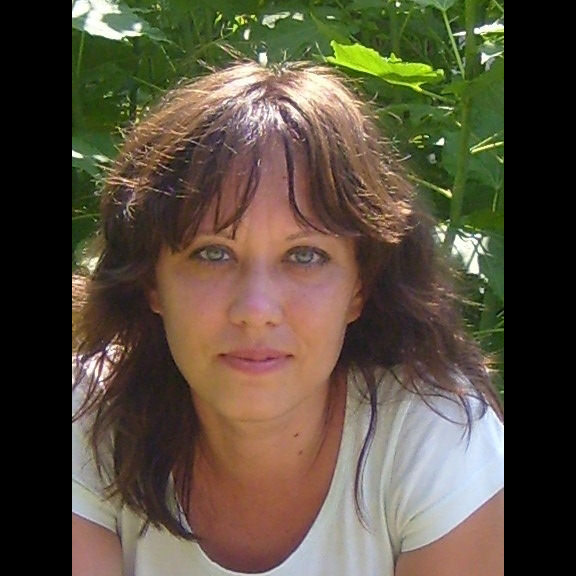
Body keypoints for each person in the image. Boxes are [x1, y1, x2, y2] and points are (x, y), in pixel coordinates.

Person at [72, 59, 504, 576]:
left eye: (304, 256)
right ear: (150, 280)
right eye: (213, 254)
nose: (256, 310)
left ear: (360, 287)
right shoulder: (89, 417)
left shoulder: (436, 438)